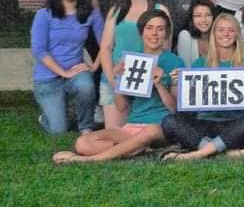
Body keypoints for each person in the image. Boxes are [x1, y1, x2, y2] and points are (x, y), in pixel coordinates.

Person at [52, 10, 183, 163]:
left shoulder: (175, 62)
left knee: (151, 131)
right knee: (83, 143)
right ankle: (140, 150)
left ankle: (91, 159)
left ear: (166, 34)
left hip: (159, 126)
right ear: (141, 33)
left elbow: (175, 109)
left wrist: (159, 84)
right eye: (149, 28)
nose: (154, 33)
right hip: (133, 125)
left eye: (160, 29)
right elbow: (121, 107)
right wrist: (119, 80)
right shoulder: (131, 60)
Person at [160, 13, 244, 161]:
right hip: (204, 122)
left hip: (234, 122)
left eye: (231, 30)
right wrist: (180, 82)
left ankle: (197, 154)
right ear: (213, 34)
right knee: (169, 121)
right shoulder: (200, 63)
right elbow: (191, 103)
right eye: (220, 30)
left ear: (237, 34)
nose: (226, 34)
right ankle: (222, 152)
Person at [32, 0, 104, 134]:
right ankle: (48, 116)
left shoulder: (90, 13)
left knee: (86, 86)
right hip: (47, 78)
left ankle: (85, 126)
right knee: (59, 130)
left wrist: (94, 66)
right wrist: (64, 73)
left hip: (76, 70)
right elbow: (39, 50)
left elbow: (105, 42)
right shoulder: (44, 14)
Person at [98, 0, 160, 129]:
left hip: (147, 81)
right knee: (115, 135)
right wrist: (112, 80)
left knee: (140, 135)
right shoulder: (116, 11)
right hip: (115, 76)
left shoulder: (160, 11)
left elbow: (164, 49)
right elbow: (105, 47)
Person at [175, 0, 216, 66]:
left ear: (214, 17)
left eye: (208, 15)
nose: (203, 20)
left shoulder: (219, 36)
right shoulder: (185, 36)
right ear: (191, 18)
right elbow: (186, 70)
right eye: (198, 16)